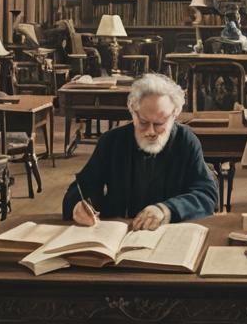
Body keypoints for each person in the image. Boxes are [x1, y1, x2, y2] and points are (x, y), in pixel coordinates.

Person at [62, 73, 218, 230]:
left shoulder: (185, 141)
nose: (150, 131)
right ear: (132, 113)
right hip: (119, 233)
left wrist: (166, 210)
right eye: (143, 122)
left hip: (168, 236)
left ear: (175, 114)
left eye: (159, 123)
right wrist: (77, 206)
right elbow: (81, 188)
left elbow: (206, 195)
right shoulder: (112, 141)